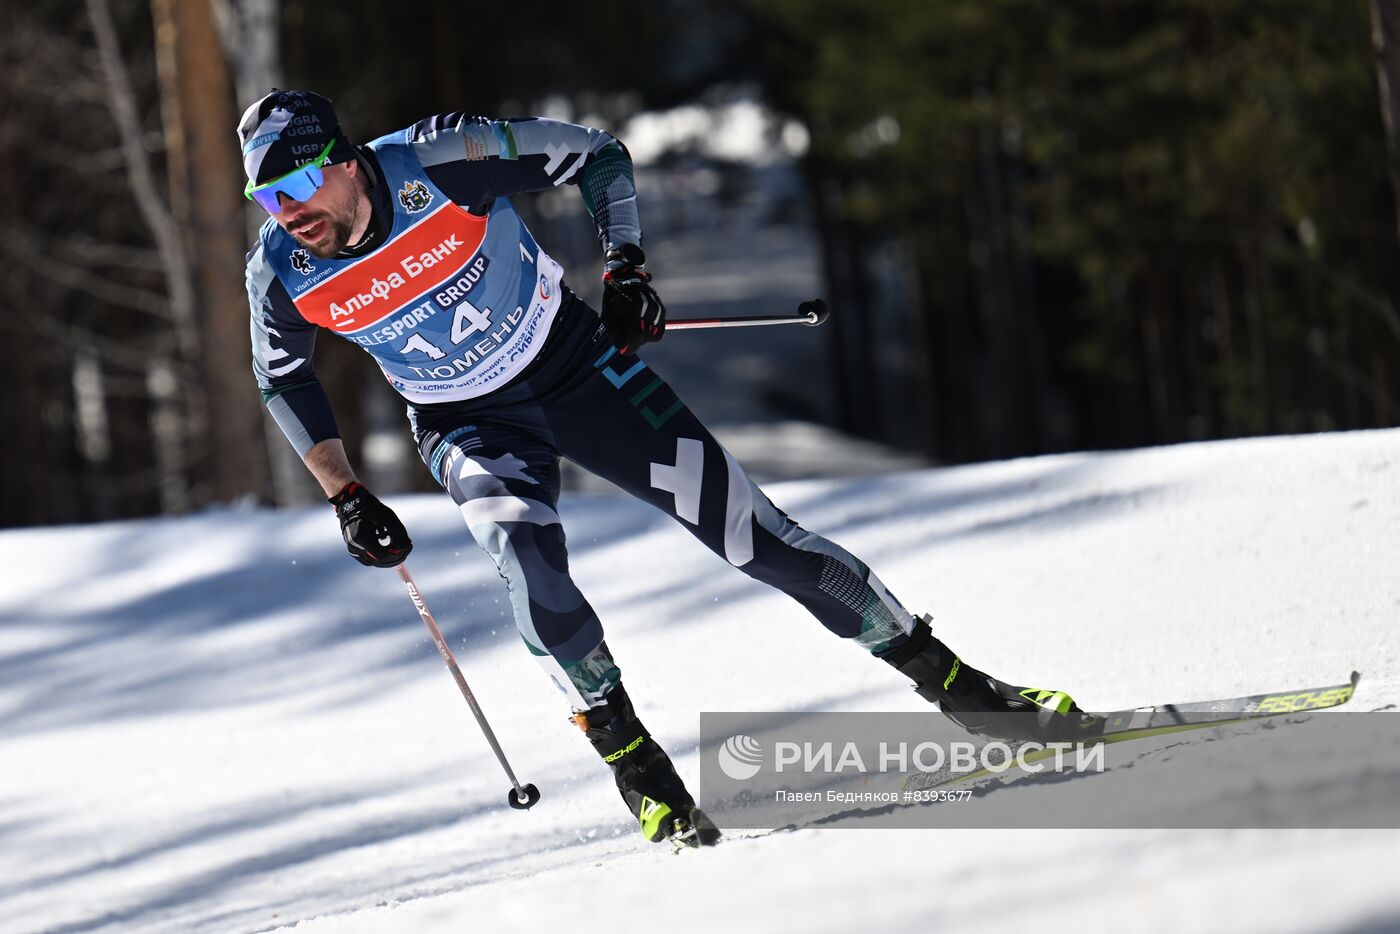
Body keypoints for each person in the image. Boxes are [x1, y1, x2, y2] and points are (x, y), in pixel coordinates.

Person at [240, 89, 1086, 848]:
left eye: (296, 186)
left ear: (345, 162)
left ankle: (963, 689)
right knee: (527, 564)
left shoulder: (438, 161)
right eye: (265, 199)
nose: (286, 213)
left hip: (575, 369)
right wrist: (347, 494)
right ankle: (640, 771)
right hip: (467, 424)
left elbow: (596, 153)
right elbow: (281, 376)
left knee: (755, 538)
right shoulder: (279, 271)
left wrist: (627, 267)